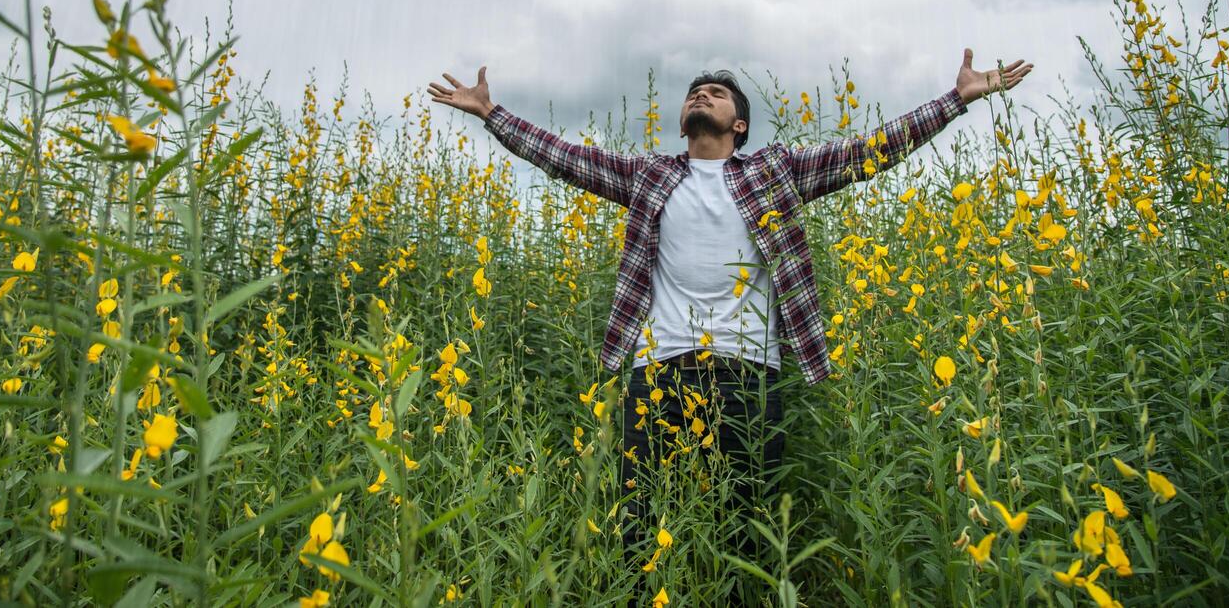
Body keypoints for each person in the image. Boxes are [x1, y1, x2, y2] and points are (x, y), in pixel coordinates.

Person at [427, 50, 1032, 604]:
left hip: (748, 374)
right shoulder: (650, 178)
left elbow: (868, 151)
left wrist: (955, 101)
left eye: (716, 93)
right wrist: (492, 114)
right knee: (640, 519)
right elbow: (563, 158)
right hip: (657, 369)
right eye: (695, 93)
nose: (701, 97)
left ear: (738, 124)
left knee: (745, 524)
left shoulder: (775, 173)